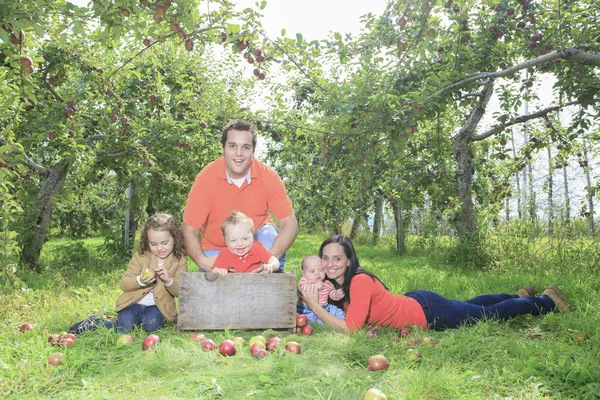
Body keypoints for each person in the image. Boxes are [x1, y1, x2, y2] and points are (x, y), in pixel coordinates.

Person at [300, 235, 573, 332]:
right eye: (325, 258)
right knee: (470, 306)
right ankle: (517, 294)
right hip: (417, 301)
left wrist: (315, 305)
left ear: (349, 261)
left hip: (427, 313)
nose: (330, 264)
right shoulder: (337, 285)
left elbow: (352, 329)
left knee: (486, 315)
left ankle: (546, 301)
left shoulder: (358, 281)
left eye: (337, 258)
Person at [182, 120, 298, 273]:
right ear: (223, 148)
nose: (238, 153)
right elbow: (189, 230)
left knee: (268, 234)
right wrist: (203, 262)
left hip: (256, 247)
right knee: (213, 289)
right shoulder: (205, 179)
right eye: (232, 146)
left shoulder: (268, 176)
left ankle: (267, 285)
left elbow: (290, 224)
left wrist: (269, 259)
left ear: (253, 151)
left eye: (246, 147)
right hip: (217, 249)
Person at [69, 214, 188, 334]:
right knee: (125, 329)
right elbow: (124, 283)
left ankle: (138, 321)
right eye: (153, 244)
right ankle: (92, 323)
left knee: (152, 326)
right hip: (132, 304)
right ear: (147, 241)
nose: (159, 248)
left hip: (156, 307)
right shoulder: (141, 256)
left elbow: (181, 291)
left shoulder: (179, 261)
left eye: (164, 243)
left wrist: (169, 280)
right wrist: (140, 281)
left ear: (175, 238)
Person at [211, 210, 280, 277]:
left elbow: (274, 261)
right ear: (226, 241)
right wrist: (219, 271)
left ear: (253, 237)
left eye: (245, 239)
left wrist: (272, 265)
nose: (240, 244)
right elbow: (214, 271)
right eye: (233, 240)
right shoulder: (224, 254)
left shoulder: (258, 248)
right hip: (234, 286)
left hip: (258, 283)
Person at [296, 254, 346, 323]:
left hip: (325, 307)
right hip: (307, 308)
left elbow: (331, 294)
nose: (317, 273)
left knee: (337, 310)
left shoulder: (327, 283)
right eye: (312, 271)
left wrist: (337, 294)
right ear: (303, 273)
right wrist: (315, 287)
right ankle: (318, 321)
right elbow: (301, 290)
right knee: (308, 317)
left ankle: (341, 319)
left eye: (321, 270)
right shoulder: (305, 281)